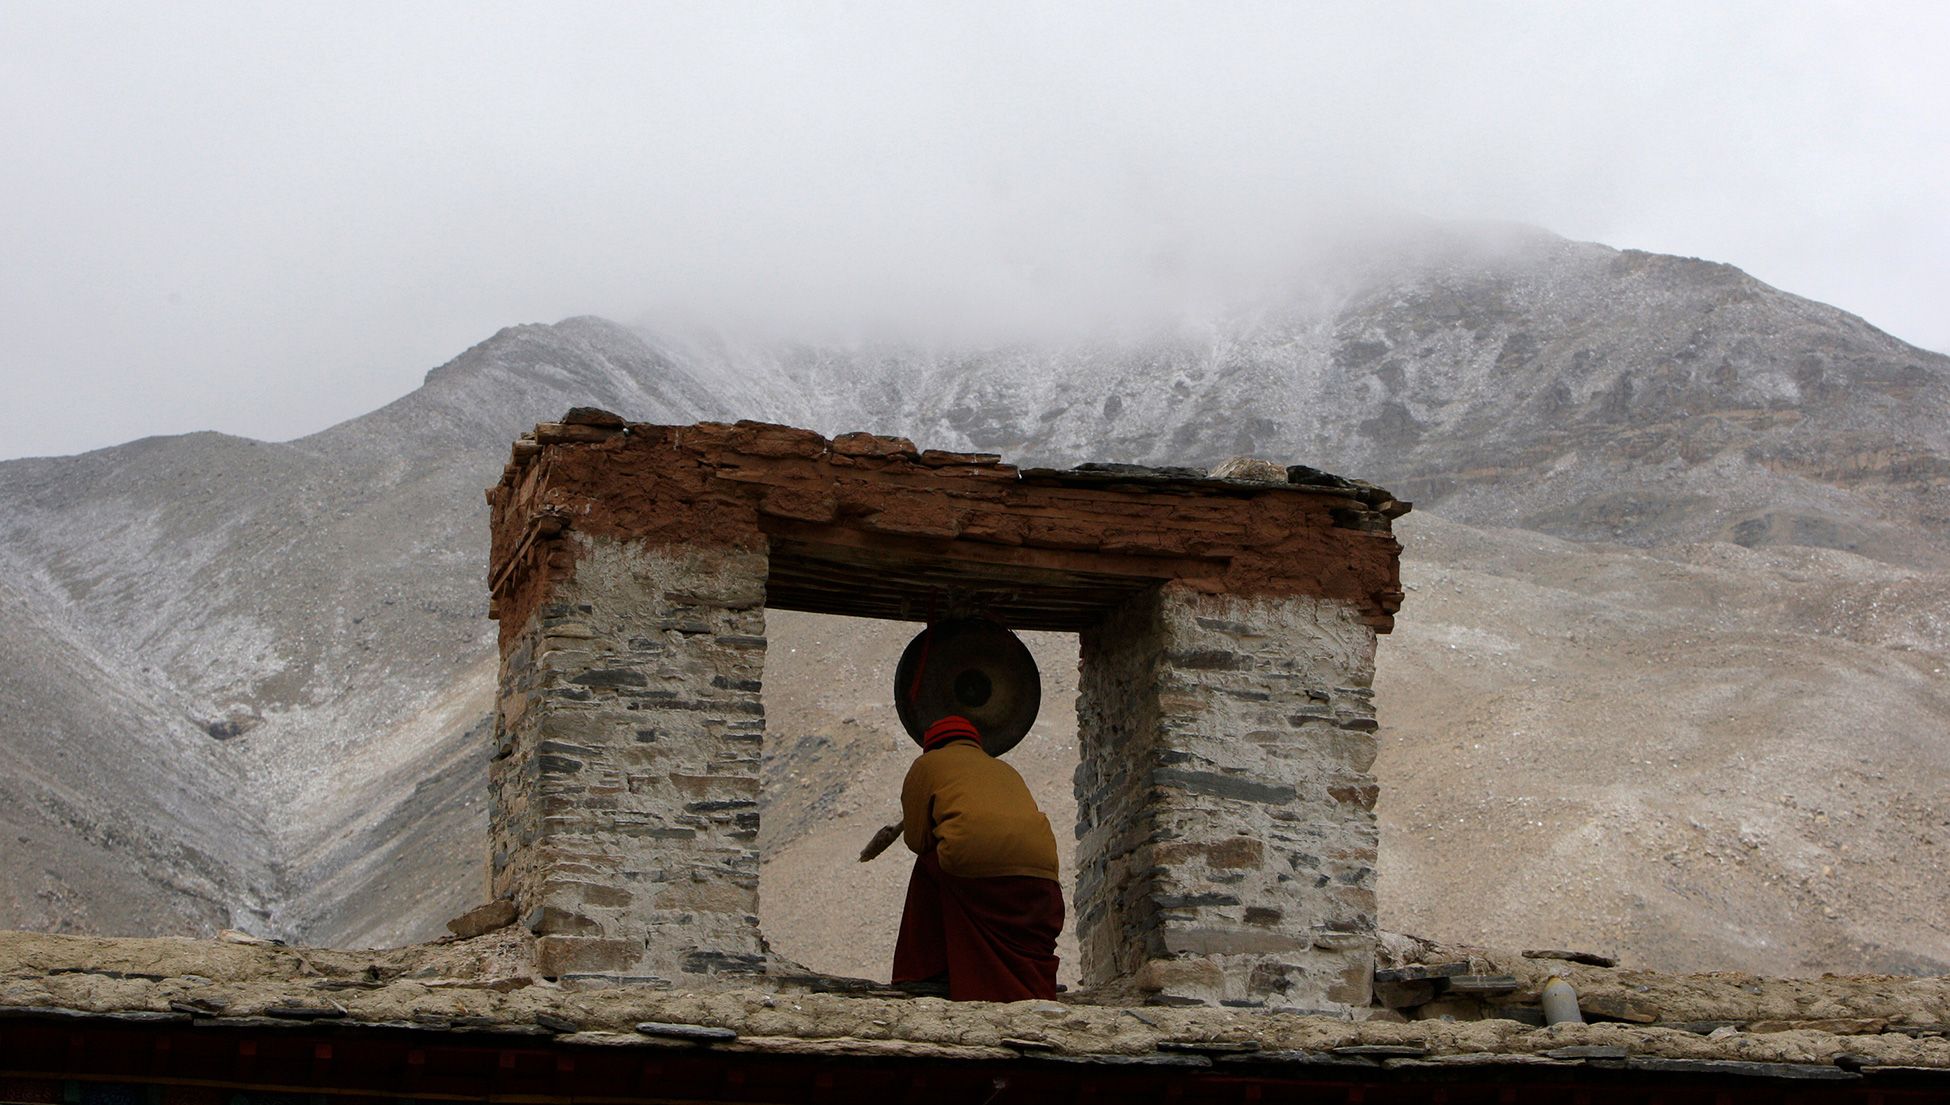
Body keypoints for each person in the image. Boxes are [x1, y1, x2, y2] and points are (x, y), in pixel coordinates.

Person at [890, 714, 1064, 1001]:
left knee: (929, 865)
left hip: (974, 876)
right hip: (1041, 881)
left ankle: (922, 972)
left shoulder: (927, 765)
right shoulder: (1005, 769)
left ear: (930, 745)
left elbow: (917, 840)